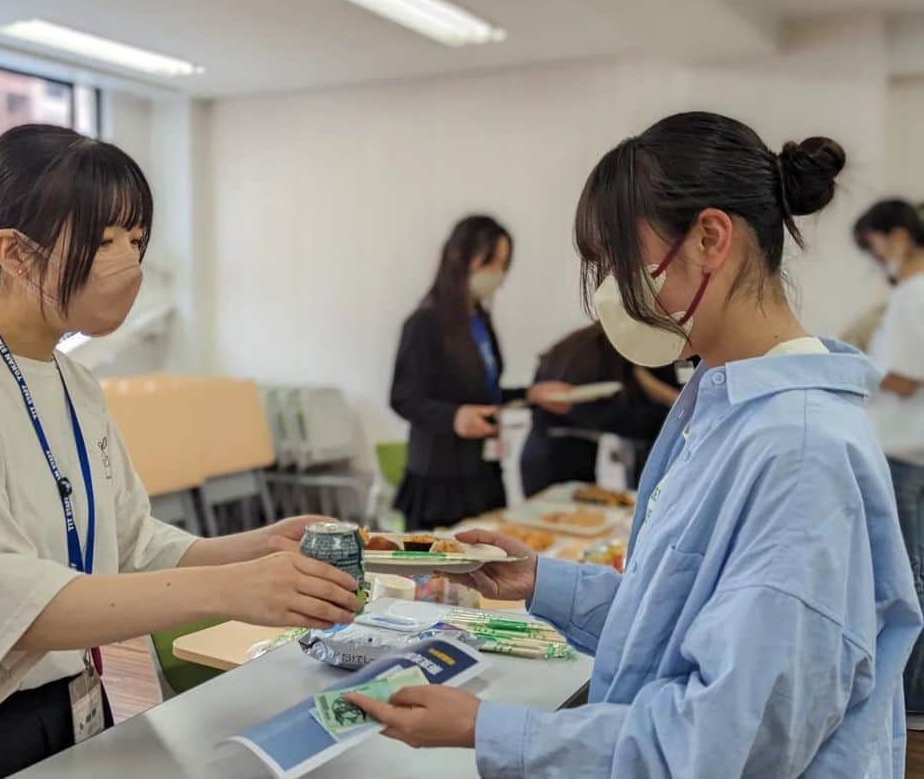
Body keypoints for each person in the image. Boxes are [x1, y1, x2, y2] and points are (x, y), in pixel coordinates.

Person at [351, 112, 922, 777]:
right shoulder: (726, 403)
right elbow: (677, 616)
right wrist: (544, 581)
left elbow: (722, 740)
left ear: (710, 237)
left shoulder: (797, 452)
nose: (613, 291)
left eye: (624, 261)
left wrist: (491, 729)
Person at [0, 125, 360, 778]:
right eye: (103, 239)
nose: (128, 262)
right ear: (16, 254)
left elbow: (132, 546)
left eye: (136, 239)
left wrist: (257, 548)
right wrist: (231, 588)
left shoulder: (75, 381)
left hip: (83, 711)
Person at [389, 215, 570, 530]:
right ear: (460, 256)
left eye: (503, 264)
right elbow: (404, 397)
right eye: (492, 262)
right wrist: (455, 417)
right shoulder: (424, 323)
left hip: (483, 475)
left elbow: (485, 393)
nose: (498, 274)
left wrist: (530, 394)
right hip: (440, 483)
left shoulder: (480, 321)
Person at [853, 199, 924, 721]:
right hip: (911, 455)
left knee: (902, 585)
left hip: (901, 456)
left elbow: (903, 377)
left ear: (896, 236)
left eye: (874, 247)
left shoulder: (912, 296)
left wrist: (849, 364)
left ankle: (906, 700)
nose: (876, 259)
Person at [519, 322, 679, 496]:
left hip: (557, 449)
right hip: (556, 454)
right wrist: (664, 400)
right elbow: (613, 416)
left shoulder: (580, 343)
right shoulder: (600, 353)